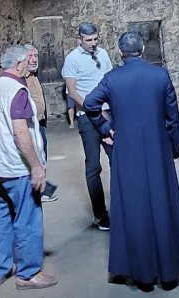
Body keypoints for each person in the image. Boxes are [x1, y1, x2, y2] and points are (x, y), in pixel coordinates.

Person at [84, 31, 179, 287]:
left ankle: (140, 272)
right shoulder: (160, 75)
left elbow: (89, 104)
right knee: (161, 202)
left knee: (133, 205)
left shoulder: (112, 78)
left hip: (126, 149)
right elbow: (172, 117)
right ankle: (168, 271)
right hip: (157, 148)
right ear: (143, 50)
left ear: (120, 53)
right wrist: (174, 148)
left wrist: (105, 129)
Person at [0, 45, 58, 289]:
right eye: (26, 62)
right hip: (16, 168)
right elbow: (20, 132)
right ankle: (28, 273)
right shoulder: (17, 90)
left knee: (4, 217)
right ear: (18, 64)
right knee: (28, 219)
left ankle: (1, 269)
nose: (28, 66)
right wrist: (36, 166)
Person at [61, 22, 115, 230]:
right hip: (87, 116)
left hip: (107, 114)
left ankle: (122, 206)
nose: (93, 43)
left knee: (116, 158)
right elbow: (72, 91)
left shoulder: (103, 54)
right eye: (88, 40)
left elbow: (110, 81)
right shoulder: (72, 59)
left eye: (95, 39)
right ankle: (101, 215)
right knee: (93, 166)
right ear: (79, 39)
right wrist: (91, 109)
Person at [23, 44, 58, 202]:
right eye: (30, 56)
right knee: (34, 158)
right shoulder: (22, 78)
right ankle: (37, 192)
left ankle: (41, 187)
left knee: (42, 156)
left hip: (40, 122)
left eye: (35, 56)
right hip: (30, 125)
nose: (33, 59)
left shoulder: (33, 75)